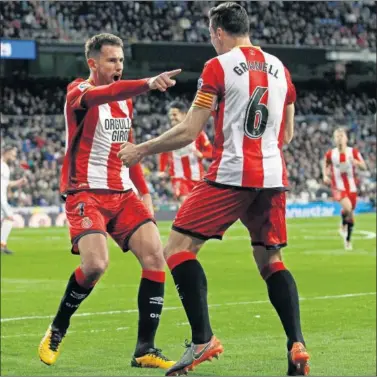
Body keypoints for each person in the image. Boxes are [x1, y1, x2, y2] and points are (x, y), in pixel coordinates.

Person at [118, 3, 310, 376]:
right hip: (272, 176)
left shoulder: (217, 66)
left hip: (231, 174)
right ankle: (296, 344)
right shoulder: (281, 69)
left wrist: (141, 148)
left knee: (176, 249)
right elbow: (286, 135)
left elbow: (190, 130)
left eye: (211, 35)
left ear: (218, 32)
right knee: (271, 262)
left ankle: (202, 338)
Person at [38, 33, 181, 369]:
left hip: (121, 191)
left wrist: (143, 191)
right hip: (85, 192)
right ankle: (58, 328)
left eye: (121, 60)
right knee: (95, 266)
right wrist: (147, 82)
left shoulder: (125, 103)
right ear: (93, 63)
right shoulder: (79, 92)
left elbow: (127, 149)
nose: (118, 66)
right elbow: (110, 91)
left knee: (154, 257)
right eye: (112, 60)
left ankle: (145, 348)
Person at [159, 101, 213, 203]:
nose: (172, 117)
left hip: (197, 177)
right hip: (178, 177)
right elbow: (163, 153)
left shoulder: (198, 133)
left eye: (174, 114)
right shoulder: (168, 135)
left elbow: (211, 152)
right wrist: (162, 170)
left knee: (197, 207)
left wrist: (201, 154)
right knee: (185, 203)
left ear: (184, 114)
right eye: (170, 115)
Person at [322, 127, 367, 250]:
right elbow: (325, 163)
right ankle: (343, 227)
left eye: (341, 136)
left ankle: (347, 239)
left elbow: (364, 166)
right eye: (337, 136)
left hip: (352, 187)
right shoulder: (331, 153)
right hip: (338, 186)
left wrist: (356, 163)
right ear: (334, 139)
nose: (339, 138)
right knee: (348, 207)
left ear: (346, 138)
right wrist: (325, 175)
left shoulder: (353, 152)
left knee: (350, 212)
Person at [1, 146, 27, 254]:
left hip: (2, 197)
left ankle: (2, 245)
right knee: (10, 218)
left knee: (7, 219)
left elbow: (7, 184)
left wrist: (19, 181)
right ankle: (2, 245)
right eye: (12, 154)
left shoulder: (5, 167)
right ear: (6, 152)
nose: (14, 156)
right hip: (0, 199)